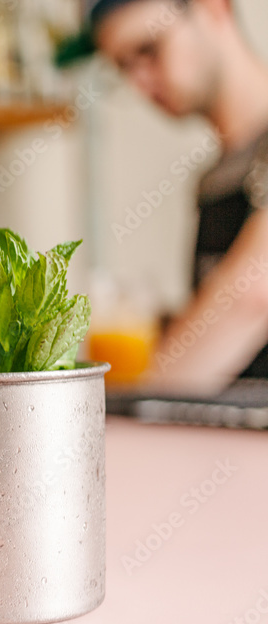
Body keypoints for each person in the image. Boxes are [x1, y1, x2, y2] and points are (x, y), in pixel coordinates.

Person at [89, 0, 268, 395]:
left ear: (214, 8)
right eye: (124, 67)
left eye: (148, 49)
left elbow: (254, 295)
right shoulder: (216, 179)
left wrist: (128, 413)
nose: (140, 82)